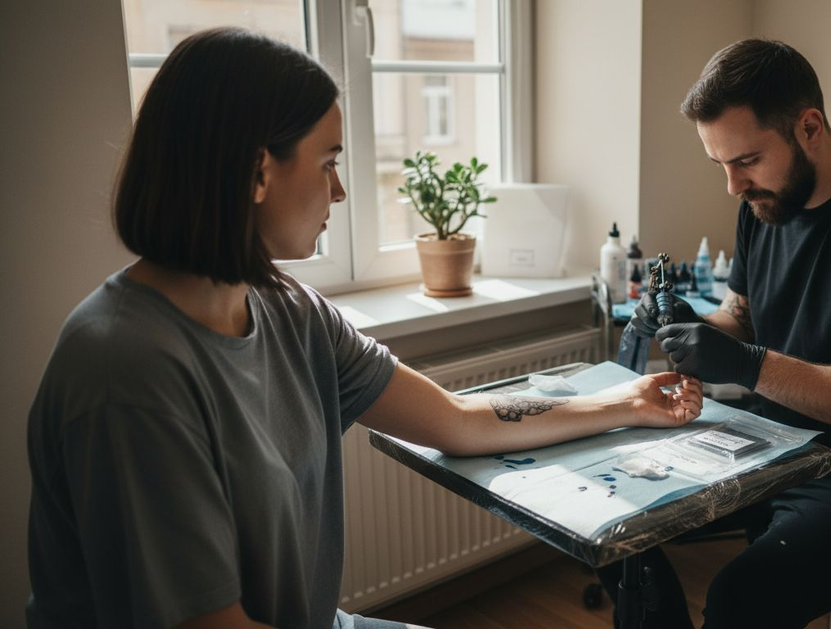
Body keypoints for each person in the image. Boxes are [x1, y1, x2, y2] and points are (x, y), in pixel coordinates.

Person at [24, 28, 704, 629]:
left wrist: (624, 403)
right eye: (327, 163)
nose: (341, 192)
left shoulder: (291, 310)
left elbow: (459, 419)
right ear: (258, 171)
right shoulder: (126, 370)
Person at [599, 39, 831, 628]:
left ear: (810, 126)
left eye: (745, 161)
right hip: (768, 445)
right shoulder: (762, 207)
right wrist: (687, 326)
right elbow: (742, 318)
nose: (732, 186)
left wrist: (746, 364)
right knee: (610, 526)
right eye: (719, 165)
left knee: (741, 599)